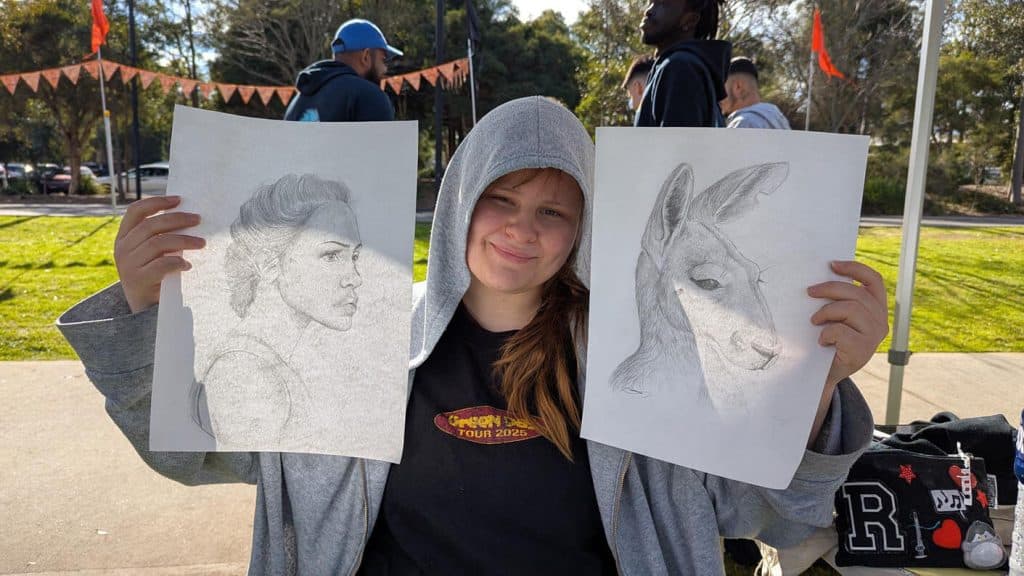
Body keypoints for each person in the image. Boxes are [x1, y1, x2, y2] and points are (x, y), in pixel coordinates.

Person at [57, 96, 887, 574]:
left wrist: (820, 379)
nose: (522, 231)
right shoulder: (358, 336)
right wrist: (145, 310)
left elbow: (768, 514)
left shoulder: (635, 370)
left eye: (553, 211)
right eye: (502, 199)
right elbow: (193, 452)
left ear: (582, 230)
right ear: (459, 199)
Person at [190, 174, 363, 446]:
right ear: (269, 264)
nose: (354, 277)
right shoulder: (245, 373)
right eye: (331, 255)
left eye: (354, 257)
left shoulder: (271, 361)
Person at [634, 0, 731, 127]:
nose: (648, 11)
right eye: (650, 2)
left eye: (662, 3)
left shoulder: (680, 68)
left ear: (689, 20)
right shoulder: (686, 65)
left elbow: (678, 145)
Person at [283, 19, 400, 123]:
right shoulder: (370, 97)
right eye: (383, 59)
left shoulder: (295, 105)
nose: (385, 68)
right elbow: (380, 147)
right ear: (366, 56)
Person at [721, 57, 792, 129]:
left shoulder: (743, 123)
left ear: (738, 87)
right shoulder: (780, 120)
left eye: (721, 88)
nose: (718, 96)